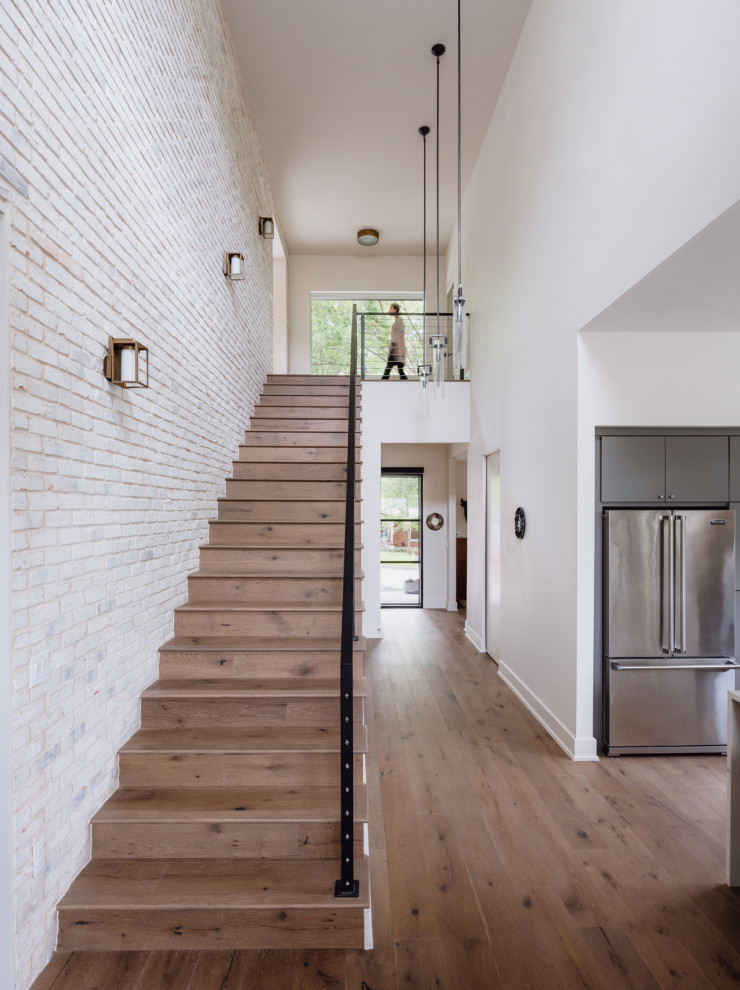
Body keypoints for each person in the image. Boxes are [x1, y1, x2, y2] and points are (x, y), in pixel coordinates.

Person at [381, 304, 407, 380]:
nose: (389, 310)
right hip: (394, 347)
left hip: (397, 347)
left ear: (396, 310)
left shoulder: (399, 320)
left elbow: (401, 335)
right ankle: (405, 382)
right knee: (394, 368)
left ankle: (382, 383)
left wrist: (401, 349)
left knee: (394, 368)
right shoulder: (396, 321)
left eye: (391, 308)